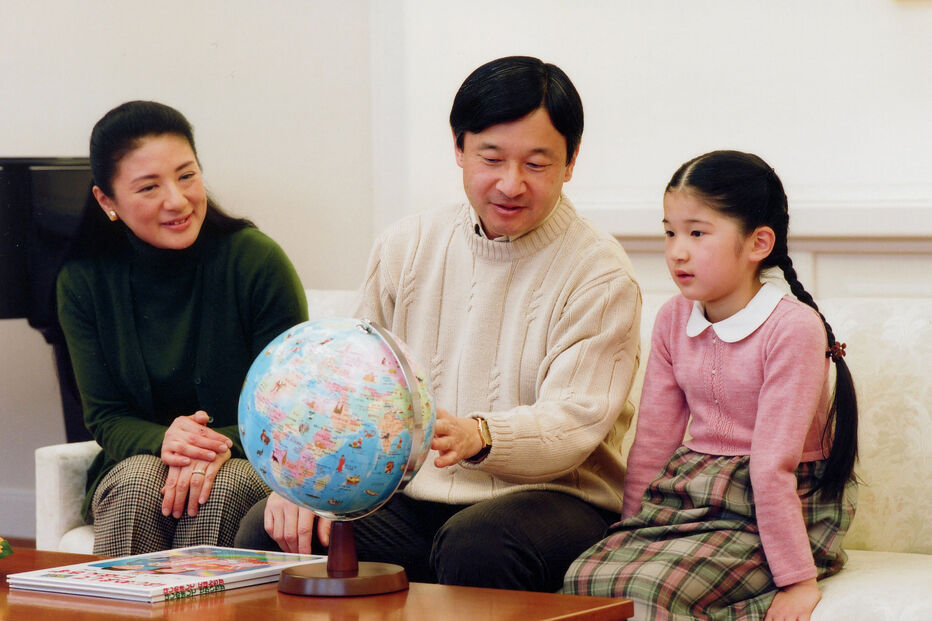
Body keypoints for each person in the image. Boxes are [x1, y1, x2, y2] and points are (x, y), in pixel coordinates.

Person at [235, 56, 642, 592]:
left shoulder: (600, 273)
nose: (511, 184)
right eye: (491, 158)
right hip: (409, 498)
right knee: (268, 528)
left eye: (537, 165)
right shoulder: (407, 244)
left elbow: (574, 424)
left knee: (478, 543)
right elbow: (347, 381)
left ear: (570, 162)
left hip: (554, 499)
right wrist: (301, 484)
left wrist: (481, 436)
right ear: (458, 147)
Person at [563, 150, 859, 620]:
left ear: (758, 243)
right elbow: (653, 444)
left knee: (650, 589)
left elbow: (771, 466)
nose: (677, 250)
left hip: (780, 504)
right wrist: (630, 530)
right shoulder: (673, 318)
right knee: (584, 579)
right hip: (691, 494)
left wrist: (798, 580)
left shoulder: (794, 329)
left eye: (697, 233)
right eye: (670, 232)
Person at [56, 100, 309, 556]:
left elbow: (289, 409)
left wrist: (206, 446)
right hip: (136, 459)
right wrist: (165, 440)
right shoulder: (83, 282)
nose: (177, 200)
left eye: (187, 175)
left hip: (247, 458)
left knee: (221, 491)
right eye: (149, 187)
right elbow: (105, 416)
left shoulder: (255, 260)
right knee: (135, 486)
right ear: (106, 201)